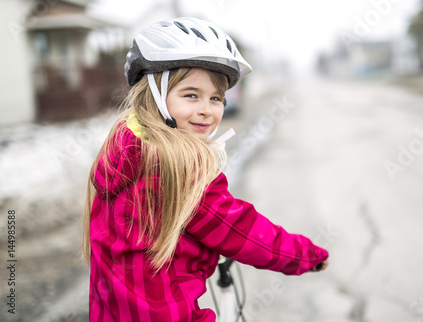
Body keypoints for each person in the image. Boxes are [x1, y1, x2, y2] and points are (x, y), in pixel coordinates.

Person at [82, 17, 329, 322]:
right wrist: (306, 255)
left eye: (216, 98)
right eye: (191, 95)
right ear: (155, 96)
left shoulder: (124, 149)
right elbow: (243, 232)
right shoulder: (178, 166)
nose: (206, 109)